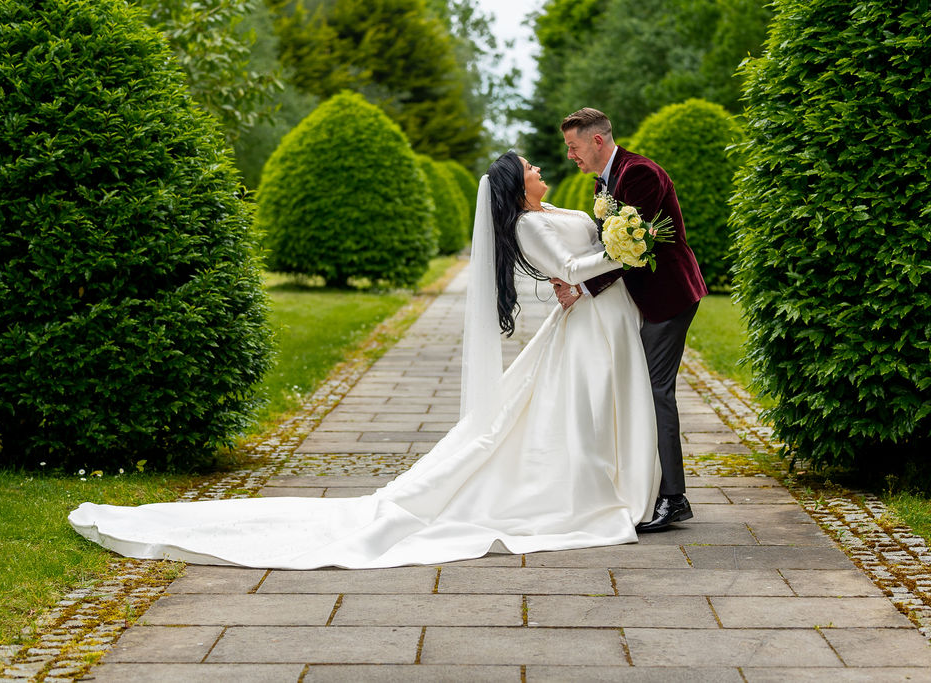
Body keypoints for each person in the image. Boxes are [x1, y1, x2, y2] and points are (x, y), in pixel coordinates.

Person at [67, 151, 661, 568]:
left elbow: (577, 264)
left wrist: (611, 243)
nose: (540, 169)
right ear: (516, 185)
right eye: (531, 167)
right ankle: (580, 491)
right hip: (584, 325)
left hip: (596, 318)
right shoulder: (529, 224)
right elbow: (568, 268)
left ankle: (617, 479)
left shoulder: (552, 213)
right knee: (567, 415)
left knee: (582, 407)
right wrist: (627, 251)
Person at [551, 108, 708, 532]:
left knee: (655, 390)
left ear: (597, 140)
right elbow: (608, 246)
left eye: (573, 146)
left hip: (668, 297)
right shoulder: (605, 181)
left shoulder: (640, 174)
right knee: (639, 387)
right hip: (644, 298)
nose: (570, 155)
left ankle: (673, 497)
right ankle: (646, 485)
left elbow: (631, 249)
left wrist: (582, 287)